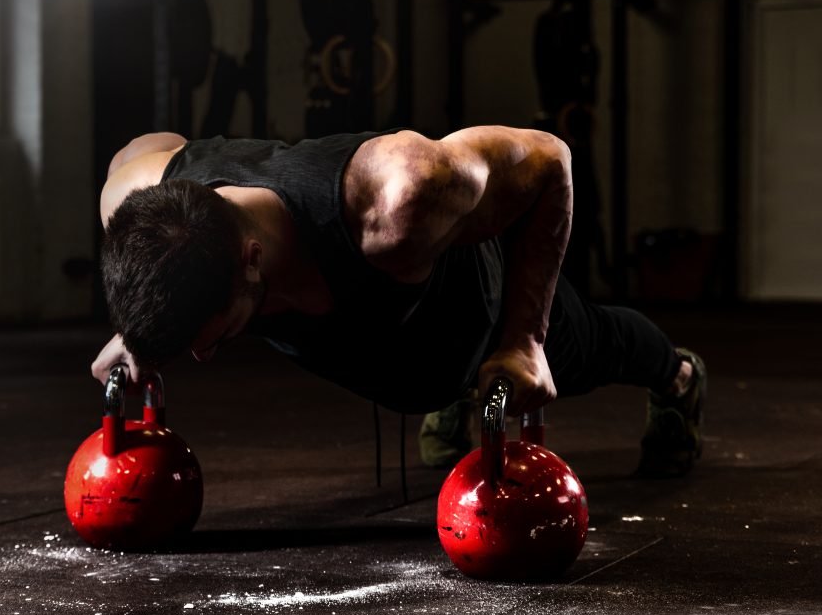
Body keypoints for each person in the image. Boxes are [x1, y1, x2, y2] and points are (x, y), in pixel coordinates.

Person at [91, 127, 706, 477]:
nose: (204, 357)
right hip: (395, 345)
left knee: (596, 345)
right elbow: (144, 146)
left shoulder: (400, 200)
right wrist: (144, 332)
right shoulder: (135, 200)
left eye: (217, 336)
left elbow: (551, 161)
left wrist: (526, 339)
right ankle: (451, 391)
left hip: (475, 314)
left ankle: (678, 377)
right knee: (425, 377)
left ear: (252, 259)